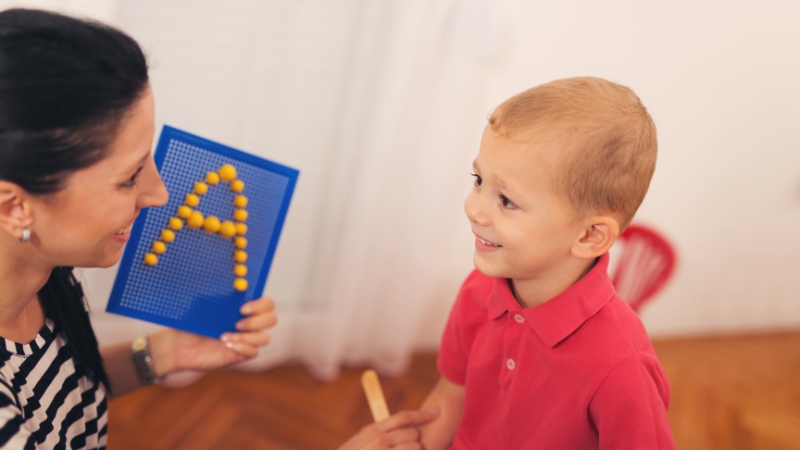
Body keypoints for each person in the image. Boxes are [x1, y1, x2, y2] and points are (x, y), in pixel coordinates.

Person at [0, 9, 434, 449]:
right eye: (129, 177)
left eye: (148, 158)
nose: (159, 193)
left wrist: (167, 352)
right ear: (14, 207)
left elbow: (67, 391)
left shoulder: (49, 271)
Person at [416, 77, 676, 449]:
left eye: (506, 200)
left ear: (590, 236)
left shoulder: (622, 369)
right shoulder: (477, 290)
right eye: (478, 180)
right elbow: (449, 398)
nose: (473, 208)